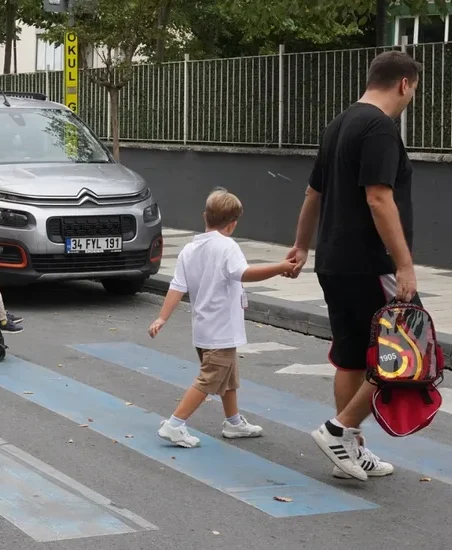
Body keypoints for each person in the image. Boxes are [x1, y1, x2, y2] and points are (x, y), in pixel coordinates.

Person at [285, 50, 422, 481]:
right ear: (404, 84)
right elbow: (379, 197)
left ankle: (348, 448)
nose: (411, 97)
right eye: (414, 90)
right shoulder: (380, 127)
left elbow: (313, 194)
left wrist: (301, 246)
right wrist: (404, 265)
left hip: (333, 260)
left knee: (351, 358)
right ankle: (339, 429)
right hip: (370, 263)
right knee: (408, 353)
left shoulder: (339, 123)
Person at [149, 189, 297, 448]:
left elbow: (177, 286)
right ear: (233, 224)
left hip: (204, 330)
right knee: (209, 380)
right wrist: (280, 268)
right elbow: (244, 274)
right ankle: (175, 424)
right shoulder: (227, 246)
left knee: (228, 377)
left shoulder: (189, 249)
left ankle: (234, 422)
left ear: (205, 216)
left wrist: (162, 317)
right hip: (221, 330)